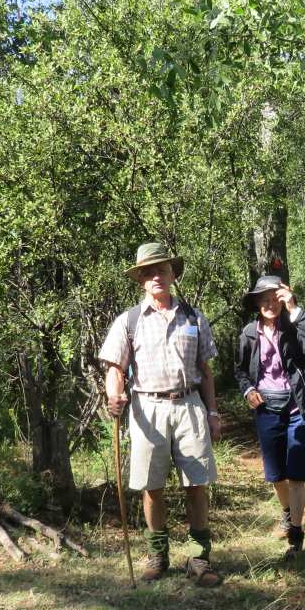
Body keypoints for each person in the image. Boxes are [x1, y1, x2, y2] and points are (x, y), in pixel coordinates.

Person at [98, 242, 223, 587]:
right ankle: (158, 556)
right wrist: (114, 397)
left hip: (189, 405)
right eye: (149, 271)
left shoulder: (194, 317)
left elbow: (206, 370)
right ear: (140, 278)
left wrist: (213, 412)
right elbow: (115, 368)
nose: (156, 276)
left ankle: (199, 557)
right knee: (151, 486)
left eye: (162, 270)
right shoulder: (129, 321)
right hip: (146, 408)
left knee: (197, 483)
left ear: (172, 274)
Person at [235, 275, 305, 556]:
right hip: (266, 408)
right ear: (257, 303)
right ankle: (287, 512)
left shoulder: (294, 326)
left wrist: (295, 309)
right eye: (264, 299)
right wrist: (248, 390)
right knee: (275, 475)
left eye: (276, 298)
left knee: (296, 474)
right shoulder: (249, 333)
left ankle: (295, 532)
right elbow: (241, 371)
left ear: (283, 301)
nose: (270, 304)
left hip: (298, 407)